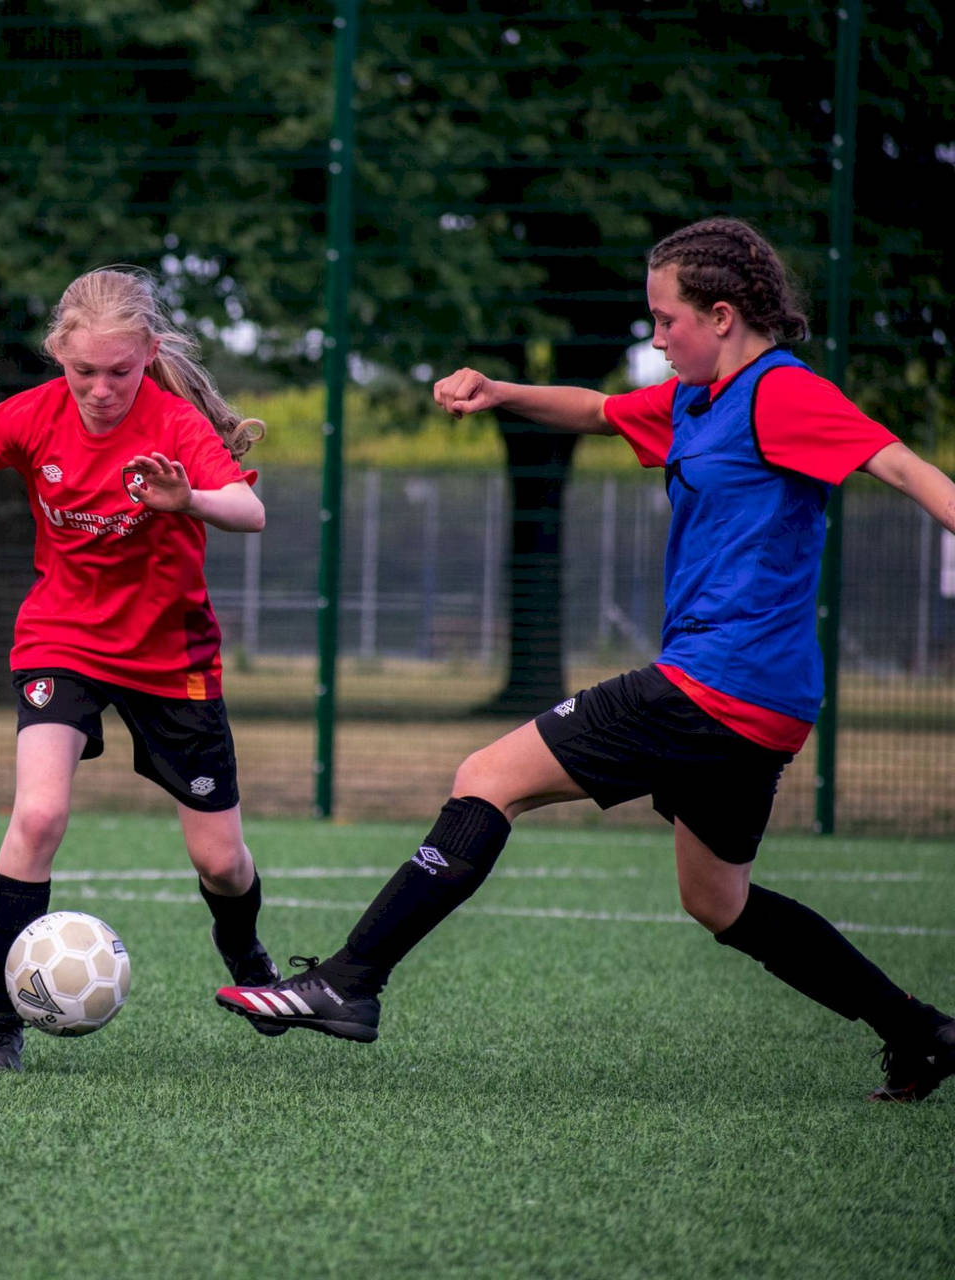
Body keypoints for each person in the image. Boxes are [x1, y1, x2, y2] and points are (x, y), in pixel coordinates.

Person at [216, 217, 955, 1102]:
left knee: (489, 775)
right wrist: (499, 390)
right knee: (718, 901)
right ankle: (919, 1032)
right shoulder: (697, 400)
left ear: (722, 315)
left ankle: (349, 980)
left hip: (715, 684)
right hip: (761, 702)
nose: (656, 337)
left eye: (666, 319)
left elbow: (906, 468)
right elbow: (600, 411)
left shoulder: (782, 394)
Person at [0, 266, 279, 1072]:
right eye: (83, 370)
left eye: (120, 372)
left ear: (149, 355)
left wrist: (189, 500)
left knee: (221, 863)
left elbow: (249, 509)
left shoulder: (172, 425)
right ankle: (2, 1020)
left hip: (173, 655)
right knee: (37, 818)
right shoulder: (34, 415)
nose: (100, 389)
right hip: (61, 638)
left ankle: (248, 962)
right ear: (58, 354)